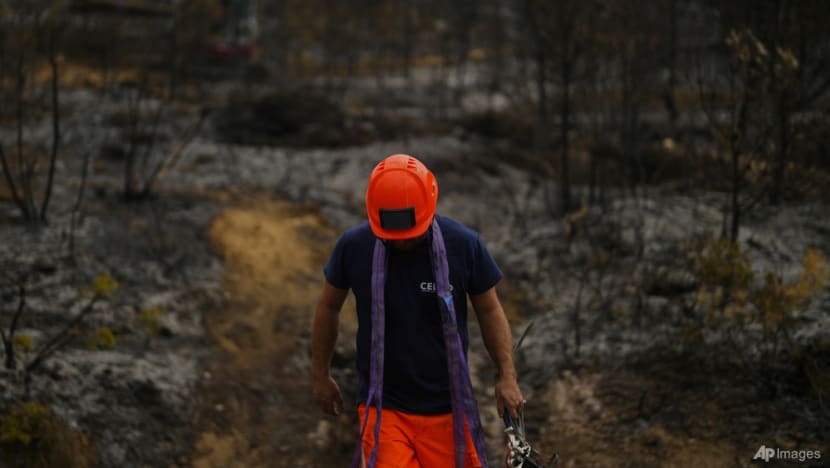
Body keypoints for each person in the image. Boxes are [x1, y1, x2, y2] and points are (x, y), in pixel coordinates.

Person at [311, 154, 523, 468]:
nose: (401, 243)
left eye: (409, 234)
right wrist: (320, 375)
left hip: (449, 409)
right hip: (384, 407)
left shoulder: (463, 245)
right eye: (392, 235)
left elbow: (490, 309)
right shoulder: (354, 247)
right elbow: (329, 306)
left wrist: (507, 376)